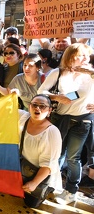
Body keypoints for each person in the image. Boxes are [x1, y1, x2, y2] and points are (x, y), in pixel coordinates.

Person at [37, 43, 94, 205]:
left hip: (82, 120)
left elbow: (79, 95)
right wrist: (56, 97)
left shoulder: (91, 74)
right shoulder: (59, 72)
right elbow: (41, 91)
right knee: (56, 155)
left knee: (73, 158)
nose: (84, 58)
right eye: (81, 55)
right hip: (60, 119)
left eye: (86, 55)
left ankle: (71, 191)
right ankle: (51, 184)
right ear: (70, 56)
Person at [18, 94, 62, 206]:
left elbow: (48, 165)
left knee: (31, 204)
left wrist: (34, 183)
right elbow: (4, 108)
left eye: (42, 106)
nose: (38, 108)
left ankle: (47, 189)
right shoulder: (23, 117)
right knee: (15, 194)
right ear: (29, 107)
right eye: (35, 105)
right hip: (22, 168)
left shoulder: (52, 132)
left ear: (49, 111)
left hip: (40, 174)